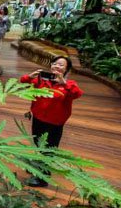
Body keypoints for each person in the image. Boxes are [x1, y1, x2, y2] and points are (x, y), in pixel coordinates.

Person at [19, 56, 83, 187]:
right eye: (55, 64)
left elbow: (77, 94)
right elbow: (22, 81)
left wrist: (63, 83)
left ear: (67, 70)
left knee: (49, 149)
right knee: (37, 144)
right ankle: (37, 165)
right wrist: (30, 76)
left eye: (61, 65)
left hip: (54, 123)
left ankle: (43, 178)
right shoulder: (41, 80)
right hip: (38, 118)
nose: (57, 66)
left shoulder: (69, 85)